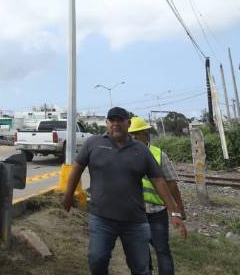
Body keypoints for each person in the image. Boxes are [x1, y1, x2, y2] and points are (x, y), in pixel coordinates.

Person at [62, 107, 187, 275]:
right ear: (106, 123)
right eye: (112, 120)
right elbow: (77, 168)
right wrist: (68, 196)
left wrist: (174, 212)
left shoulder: (141, 150)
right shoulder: (93, 143)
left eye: (120, 120)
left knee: (141, 268)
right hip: (101, 219)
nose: (115, 123)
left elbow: (159, 180)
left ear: (128, 123)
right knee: (96, 260)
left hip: (134, 221)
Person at [128, 117, 186, 275]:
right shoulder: (125, 155)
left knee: (162, 251)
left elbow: (171, 183)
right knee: (140, 253)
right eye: (130, 135)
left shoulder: (159, 155)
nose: (133, 138)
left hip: (156, 212)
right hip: (135, 212)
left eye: (136, 134)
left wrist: (178, 208)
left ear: (146, 134)